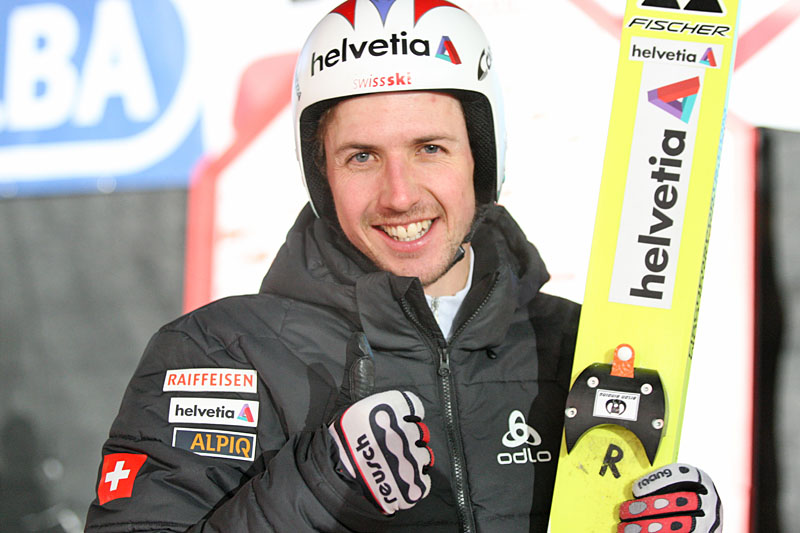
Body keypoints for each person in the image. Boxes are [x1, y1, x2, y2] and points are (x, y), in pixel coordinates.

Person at [85, 1, 721, 531]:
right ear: (321, 175)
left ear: (481, 159)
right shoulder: (220, 354)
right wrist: (321, 483)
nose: (399, 195)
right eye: (362, 156)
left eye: (429, 148)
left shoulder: (579, 349)